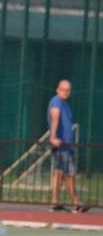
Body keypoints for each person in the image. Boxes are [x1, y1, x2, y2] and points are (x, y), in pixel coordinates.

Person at [48, 80, 89, 213]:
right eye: (63, 89)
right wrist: (53, 137)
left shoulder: (65, 104)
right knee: (70, 173)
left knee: (59, 173)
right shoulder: (56, 101)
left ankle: (54, 202)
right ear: (57, 89)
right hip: (60, 146)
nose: (65, 92)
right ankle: (76, 203)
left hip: (66, 145)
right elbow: (55, 118)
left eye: (68, 90)